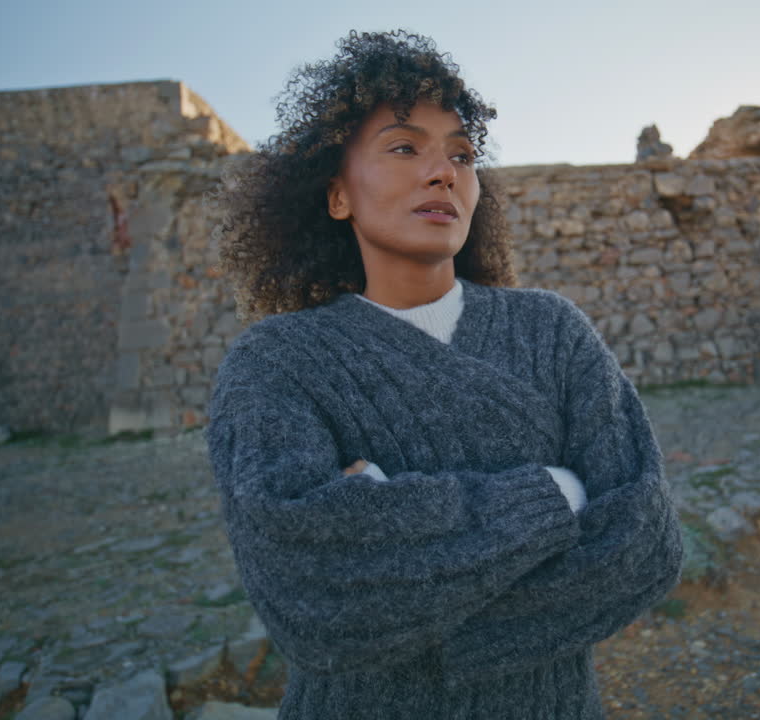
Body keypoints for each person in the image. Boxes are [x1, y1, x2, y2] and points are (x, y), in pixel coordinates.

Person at [206, 29, 683, 719]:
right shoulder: (276, 363)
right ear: (337, 195)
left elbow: (645, 543)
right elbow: (310, 598)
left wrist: (396, 557)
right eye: (405, 147)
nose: (444, 173)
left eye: (461, 154)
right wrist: (555, 493)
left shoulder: (551, 331)